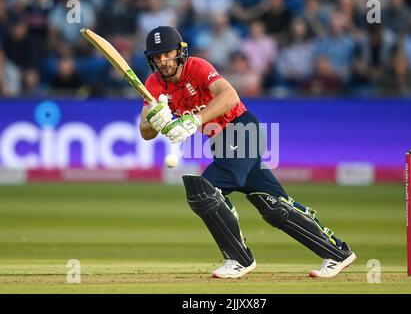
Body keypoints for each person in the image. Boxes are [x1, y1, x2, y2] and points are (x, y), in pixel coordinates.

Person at [139, 26, 356, 279]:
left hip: (242, 130)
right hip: (221, 144)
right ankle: (338, 252)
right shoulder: (153, 84)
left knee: (203, 190)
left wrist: (194, 121)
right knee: (273, 207)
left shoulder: (197, 67)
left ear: (180, 52)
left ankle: (239, 259)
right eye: (157, 56)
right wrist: (158, 119)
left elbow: (230, 96)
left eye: (168, 54)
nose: (163, 61)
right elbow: (145, 130)